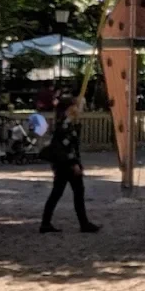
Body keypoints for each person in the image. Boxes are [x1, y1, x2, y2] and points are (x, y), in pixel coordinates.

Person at [40, 96, 99, 234]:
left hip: (64, 164)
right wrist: (74, 163)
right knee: (71, 192)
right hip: (66, 164)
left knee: (63, 192)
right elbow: (66, 147)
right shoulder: (64, 125)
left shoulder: (66, 123)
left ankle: (47, 223)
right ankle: (82, 224)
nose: (78, 109)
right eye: (75, 106)